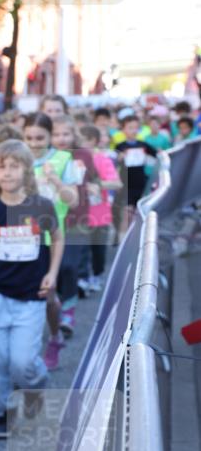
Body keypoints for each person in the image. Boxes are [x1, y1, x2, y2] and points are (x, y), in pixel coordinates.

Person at [0, 140, 63, 439]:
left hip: (31, 298)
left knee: (23, 361)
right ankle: (3, 411)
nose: (8, 173)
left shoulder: (41, 206)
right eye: (2, 167)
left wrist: (52, 273)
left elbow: (57, 237)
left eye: (15, 166)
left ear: (27, 170)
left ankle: (36, 384)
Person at [22, 113, 78, 371]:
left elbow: (72, 200)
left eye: (40, 138)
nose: (34, 143)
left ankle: (54, 337)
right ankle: (27, 351)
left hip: (52, 239)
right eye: (29, 138)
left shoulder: (65, 159)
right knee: (27, 296)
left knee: (48, 298)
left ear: (50, 136)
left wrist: (55, 179)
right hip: (21, 239)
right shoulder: (17, 160)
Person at [51, 116, 98, 335]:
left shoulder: (83, 155)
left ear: (74, 135)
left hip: (77, 220)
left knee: (69, 266)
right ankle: (56, 304)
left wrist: (95, 190)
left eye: (65, 134)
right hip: (50, 220)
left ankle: (68, 311)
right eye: (56, 134)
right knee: (55, 268)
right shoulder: (46, 157)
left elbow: (94, 180)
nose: (61, 139)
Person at [78, 124, 122, 291]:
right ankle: (82, 279)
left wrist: (97, 184)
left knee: (97, 250)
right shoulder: (73, 158)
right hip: (78, 214)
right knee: (81, 249)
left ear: (93, 141)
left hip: (99, 214)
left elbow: (117, 183)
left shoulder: (102, 159)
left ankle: (97, 276)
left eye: (83, 141)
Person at [112, 112, 158, 236]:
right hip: (126, 183)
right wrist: (119, 158)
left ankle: (136, 236)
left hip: (140, 182)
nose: (133, 130)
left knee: (139, 212)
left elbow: (157, 153)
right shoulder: (120, 146)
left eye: (136, 128)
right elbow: (112, 163)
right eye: (130, 128)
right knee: (127, 211)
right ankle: (123, 237)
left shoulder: (143, 145)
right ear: (123, 129)